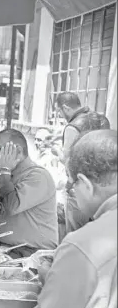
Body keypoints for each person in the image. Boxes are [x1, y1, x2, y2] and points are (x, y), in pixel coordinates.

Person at [24, 129, 117, 308]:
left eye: (72, 184)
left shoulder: (82, 246)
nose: (71, 190)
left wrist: (56, 280)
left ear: (85, 183)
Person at [0, 129, 58, 258]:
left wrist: (5, 171)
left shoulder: (38, 176)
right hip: (0, 251)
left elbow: (12, 205)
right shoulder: (5, 178)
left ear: (18, 152)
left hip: (30, 256)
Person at [53, 92, 111, 236]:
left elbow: (69, 161)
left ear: (65, 108)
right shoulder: (102, 120)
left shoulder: (73, 127)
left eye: (59, 111)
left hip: (79, 188)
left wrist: (56, 152)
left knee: (75, 235)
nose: (60, 115)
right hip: (104, 186)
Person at [34, 128, 67, 242]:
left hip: (55, 206)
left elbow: (56, 182)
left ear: (48, 142)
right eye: (35, 140)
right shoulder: (39, 156)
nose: (36, 143)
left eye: (39, 140)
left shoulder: (52, 157)